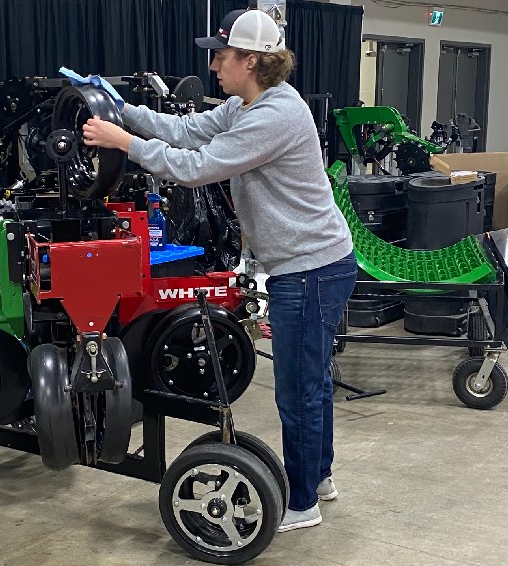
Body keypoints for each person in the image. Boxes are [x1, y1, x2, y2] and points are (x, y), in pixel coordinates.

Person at [82, 9, 356, 531]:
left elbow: (195, 167)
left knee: (298, 390)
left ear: (250, 60)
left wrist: (124, 144)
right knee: (312, 384)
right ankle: (316, 477)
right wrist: (125, 110)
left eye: (221, 55)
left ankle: (301, 504)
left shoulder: (274, 116)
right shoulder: (248, 104)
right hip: (312, 265)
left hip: (311, 269)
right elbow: (185, 131)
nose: (212, 65)